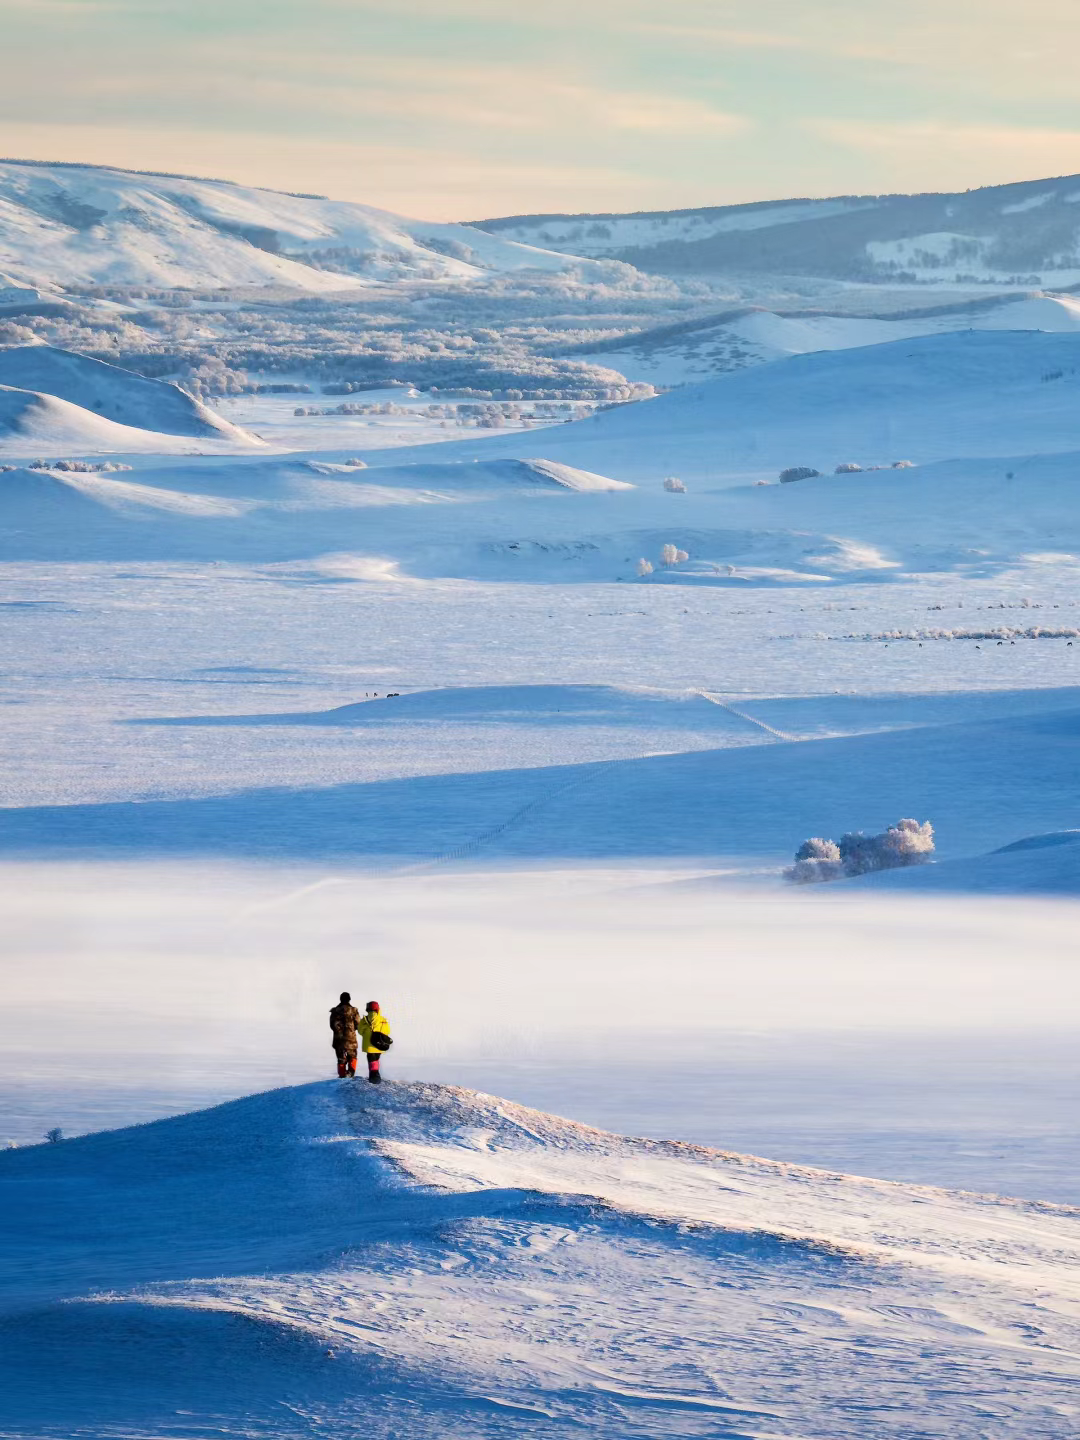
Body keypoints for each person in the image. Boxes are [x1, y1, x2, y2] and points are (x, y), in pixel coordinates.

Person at [329, 991, 361, 1078]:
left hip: (338, 1040)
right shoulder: (354, 1011)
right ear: (349, 999)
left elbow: (332, 1025)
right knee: (352, 1057)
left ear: (340, 999)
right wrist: (351, 1029)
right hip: (351, 1040)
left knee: (341, 1059)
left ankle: (342, 1076)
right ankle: (351, 1074)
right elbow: (358, 1024)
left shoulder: (335, 1011)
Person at [358, 1000, 392, 1084]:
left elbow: (360, 1031)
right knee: (375, 1059)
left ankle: (374, 1077)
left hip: (368, 1045)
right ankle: (375, 1075)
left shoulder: (364, 1020)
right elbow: (387, 1031)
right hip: (379, 1044)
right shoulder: (383, 1020)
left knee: (371, 1059)